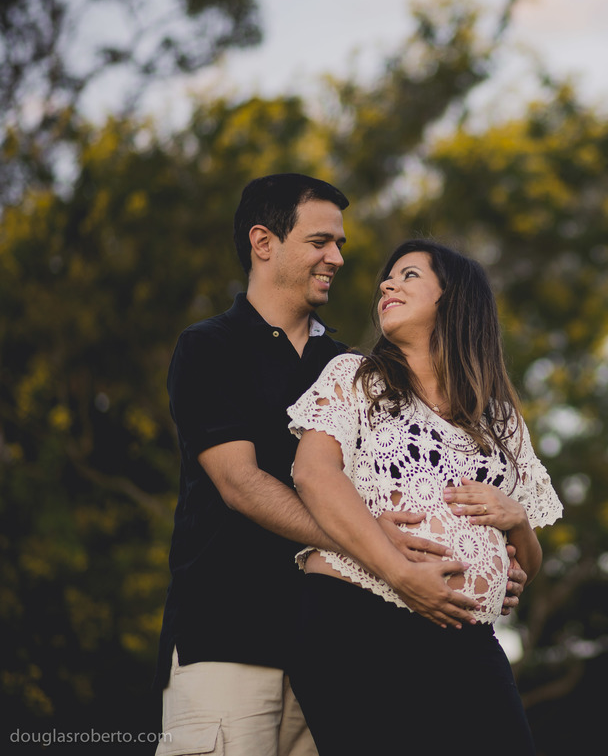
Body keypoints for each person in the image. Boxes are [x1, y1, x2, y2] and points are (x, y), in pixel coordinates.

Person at [154, 176, 526, 756]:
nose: (339, 258)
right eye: (321, 241)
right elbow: (241, 484)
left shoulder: (355, 367)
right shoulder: (210, 347)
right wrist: (377, 547)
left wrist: (486, 553)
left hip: (337, 642)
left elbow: (408, 486)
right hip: (229, 632)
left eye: (341, 244)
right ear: (263, 241)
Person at [285, 239, 563, 755]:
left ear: (453, 299)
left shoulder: (501, 421)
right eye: (387, 279)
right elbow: (313, 476)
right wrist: (402, 575)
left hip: (466, 636)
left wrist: (518, 519)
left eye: (408, 275)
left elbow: (526, 566)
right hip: (357, 621)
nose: (387, 284)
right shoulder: (354, 377)